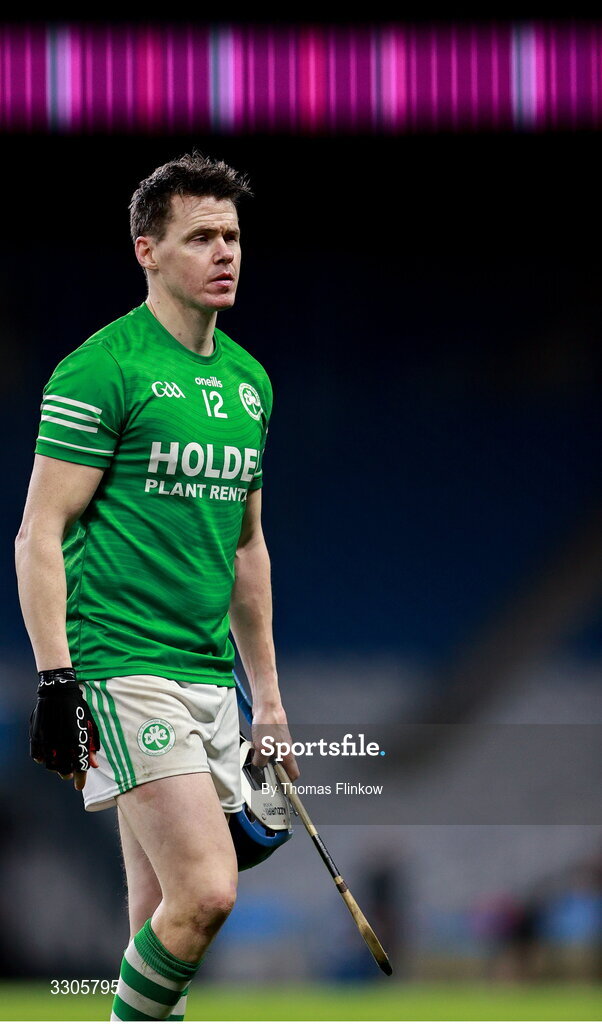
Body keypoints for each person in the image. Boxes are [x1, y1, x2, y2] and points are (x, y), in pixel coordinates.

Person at [15, 151, 299, 1022]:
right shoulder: (102, 369)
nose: (226, 253)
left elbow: (248, 550)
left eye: (234, 236)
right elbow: (38, 533)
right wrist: (56, 678)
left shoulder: (250, 383)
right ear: (147, 250)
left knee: (158, 915)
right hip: (122, 663)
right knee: (209, 893)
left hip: (211, 675)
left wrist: (270, 699)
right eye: (201, 237)